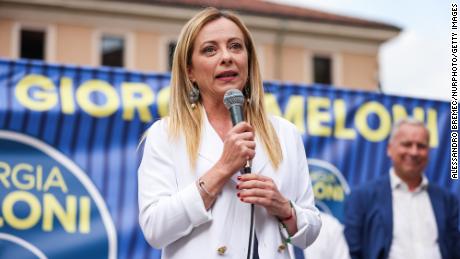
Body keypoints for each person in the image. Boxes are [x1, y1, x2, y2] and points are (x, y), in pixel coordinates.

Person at [137, 7, 321, 259]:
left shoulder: (285, 133)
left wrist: (283, 207)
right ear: (189, 71)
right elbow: (155, 229)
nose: (226, 57)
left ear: (248, 59)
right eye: (210, 50)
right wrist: (222, 168)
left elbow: (310, 231)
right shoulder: (165, 135)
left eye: (235, 46)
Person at [344, 118, 460, 259]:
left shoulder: (447, 201)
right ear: (389, 149)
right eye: (406, 144)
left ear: (428, 152)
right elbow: (352, 252)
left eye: (421, 146)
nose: (414, 152)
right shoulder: (361, 197)